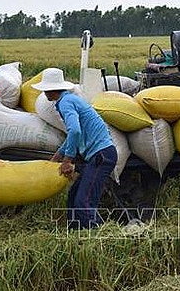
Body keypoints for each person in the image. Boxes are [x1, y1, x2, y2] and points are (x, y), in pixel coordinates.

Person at [32, 67, 117, 230]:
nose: (44, 93)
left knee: (83, 203)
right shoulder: (67, 100)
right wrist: (58, 155)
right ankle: (74, 232)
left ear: (50, 90)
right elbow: (74, 134)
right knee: (73, 197)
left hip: (102, 155)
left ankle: (99, 236)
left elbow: (75, 130)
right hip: (96, 156)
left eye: (45, 90)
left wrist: (67, 160)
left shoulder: (66, 103)